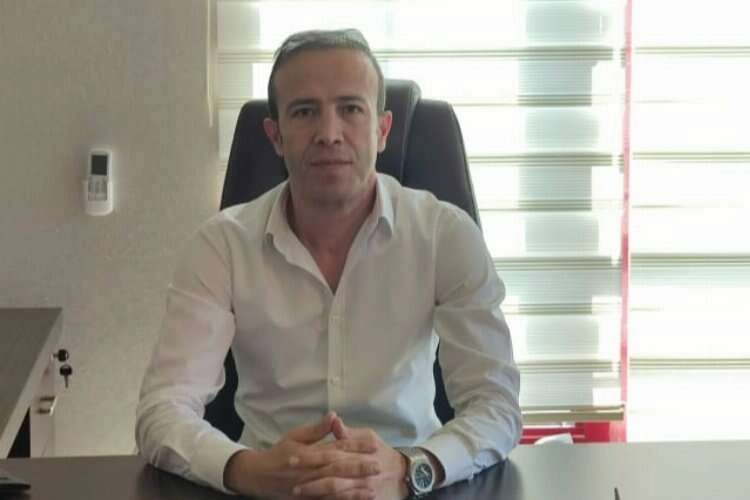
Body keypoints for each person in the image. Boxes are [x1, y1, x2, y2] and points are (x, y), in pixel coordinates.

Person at [136, 28, 521, 499]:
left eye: (351, 109)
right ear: (275, 136)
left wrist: (410, 470)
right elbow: (162, 409)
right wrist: (248, 470)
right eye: (304, 112)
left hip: (406, 482)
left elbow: (495, 405)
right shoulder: (222, 245)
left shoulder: (445, 235)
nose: (329, 134)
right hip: (269, 485)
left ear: (382, 130)